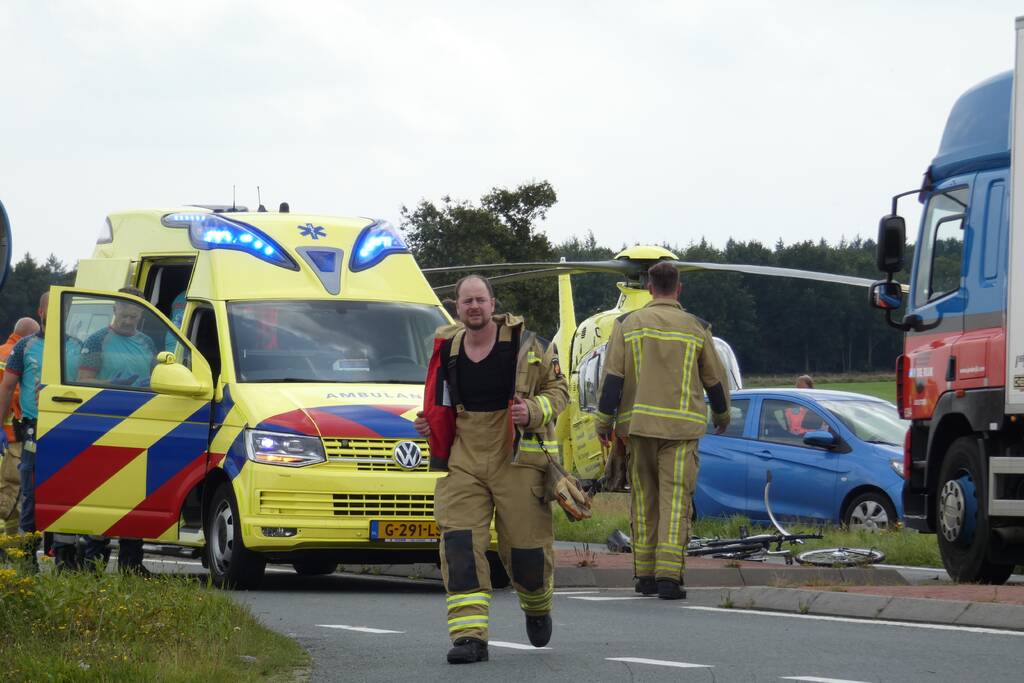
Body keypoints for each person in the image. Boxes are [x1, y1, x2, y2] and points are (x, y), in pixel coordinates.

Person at [415, 274, 568, 665]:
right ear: (456, 307)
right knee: (460, 544)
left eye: (480, 300)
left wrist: (533, 410)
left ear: (493, 304)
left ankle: (537, 606)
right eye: (466, 301)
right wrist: (430, 424)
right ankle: (470, 637)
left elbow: (560, 392)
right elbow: (441, 401)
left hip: (517, 459)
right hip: (465, 455)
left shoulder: (528, 345)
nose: (474, 307)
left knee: (527, 553)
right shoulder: (448, 348)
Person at [596, 261, 730, 600]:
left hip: (638, 429)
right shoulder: (696, 328)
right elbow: (715, 380)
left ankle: (645, 576)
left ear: (649, 288)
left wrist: (604, 422)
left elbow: (612, 379)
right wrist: (722, 415)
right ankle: (669, 576)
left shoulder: (627, 325)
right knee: (675, 502)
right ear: (679, 288)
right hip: (681, 431)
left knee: (644, 501)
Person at [64, 287, 156, 574]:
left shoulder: (147, 343)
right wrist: (113, 385)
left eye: (134, 316)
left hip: (141, 424)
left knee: (135, 494)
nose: (128, 320)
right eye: (124, 314)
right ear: (115, 309)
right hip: (104, 425)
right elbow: (82, 380)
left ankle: (131, 563)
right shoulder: (97, 340)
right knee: (101, 493)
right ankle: (94, 560)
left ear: (141, 314)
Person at [0, 294, 81, 558]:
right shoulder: (24, 346)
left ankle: (63, 555)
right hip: (33, 429)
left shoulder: (77, 347)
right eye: (52, 308)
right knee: (30, 492)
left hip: (68, 430)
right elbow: (7, 387)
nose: (58, 313)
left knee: (67, 490)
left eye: (64, 309)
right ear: (41, 311)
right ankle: (27, 556)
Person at [0, 317, 40, 535]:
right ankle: (10, 543)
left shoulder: (1, 351)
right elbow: (12, 392)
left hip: (5, 435)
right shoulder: (20, 354)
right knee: (12, 492)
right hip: (11, 437)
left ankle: (11, 543)